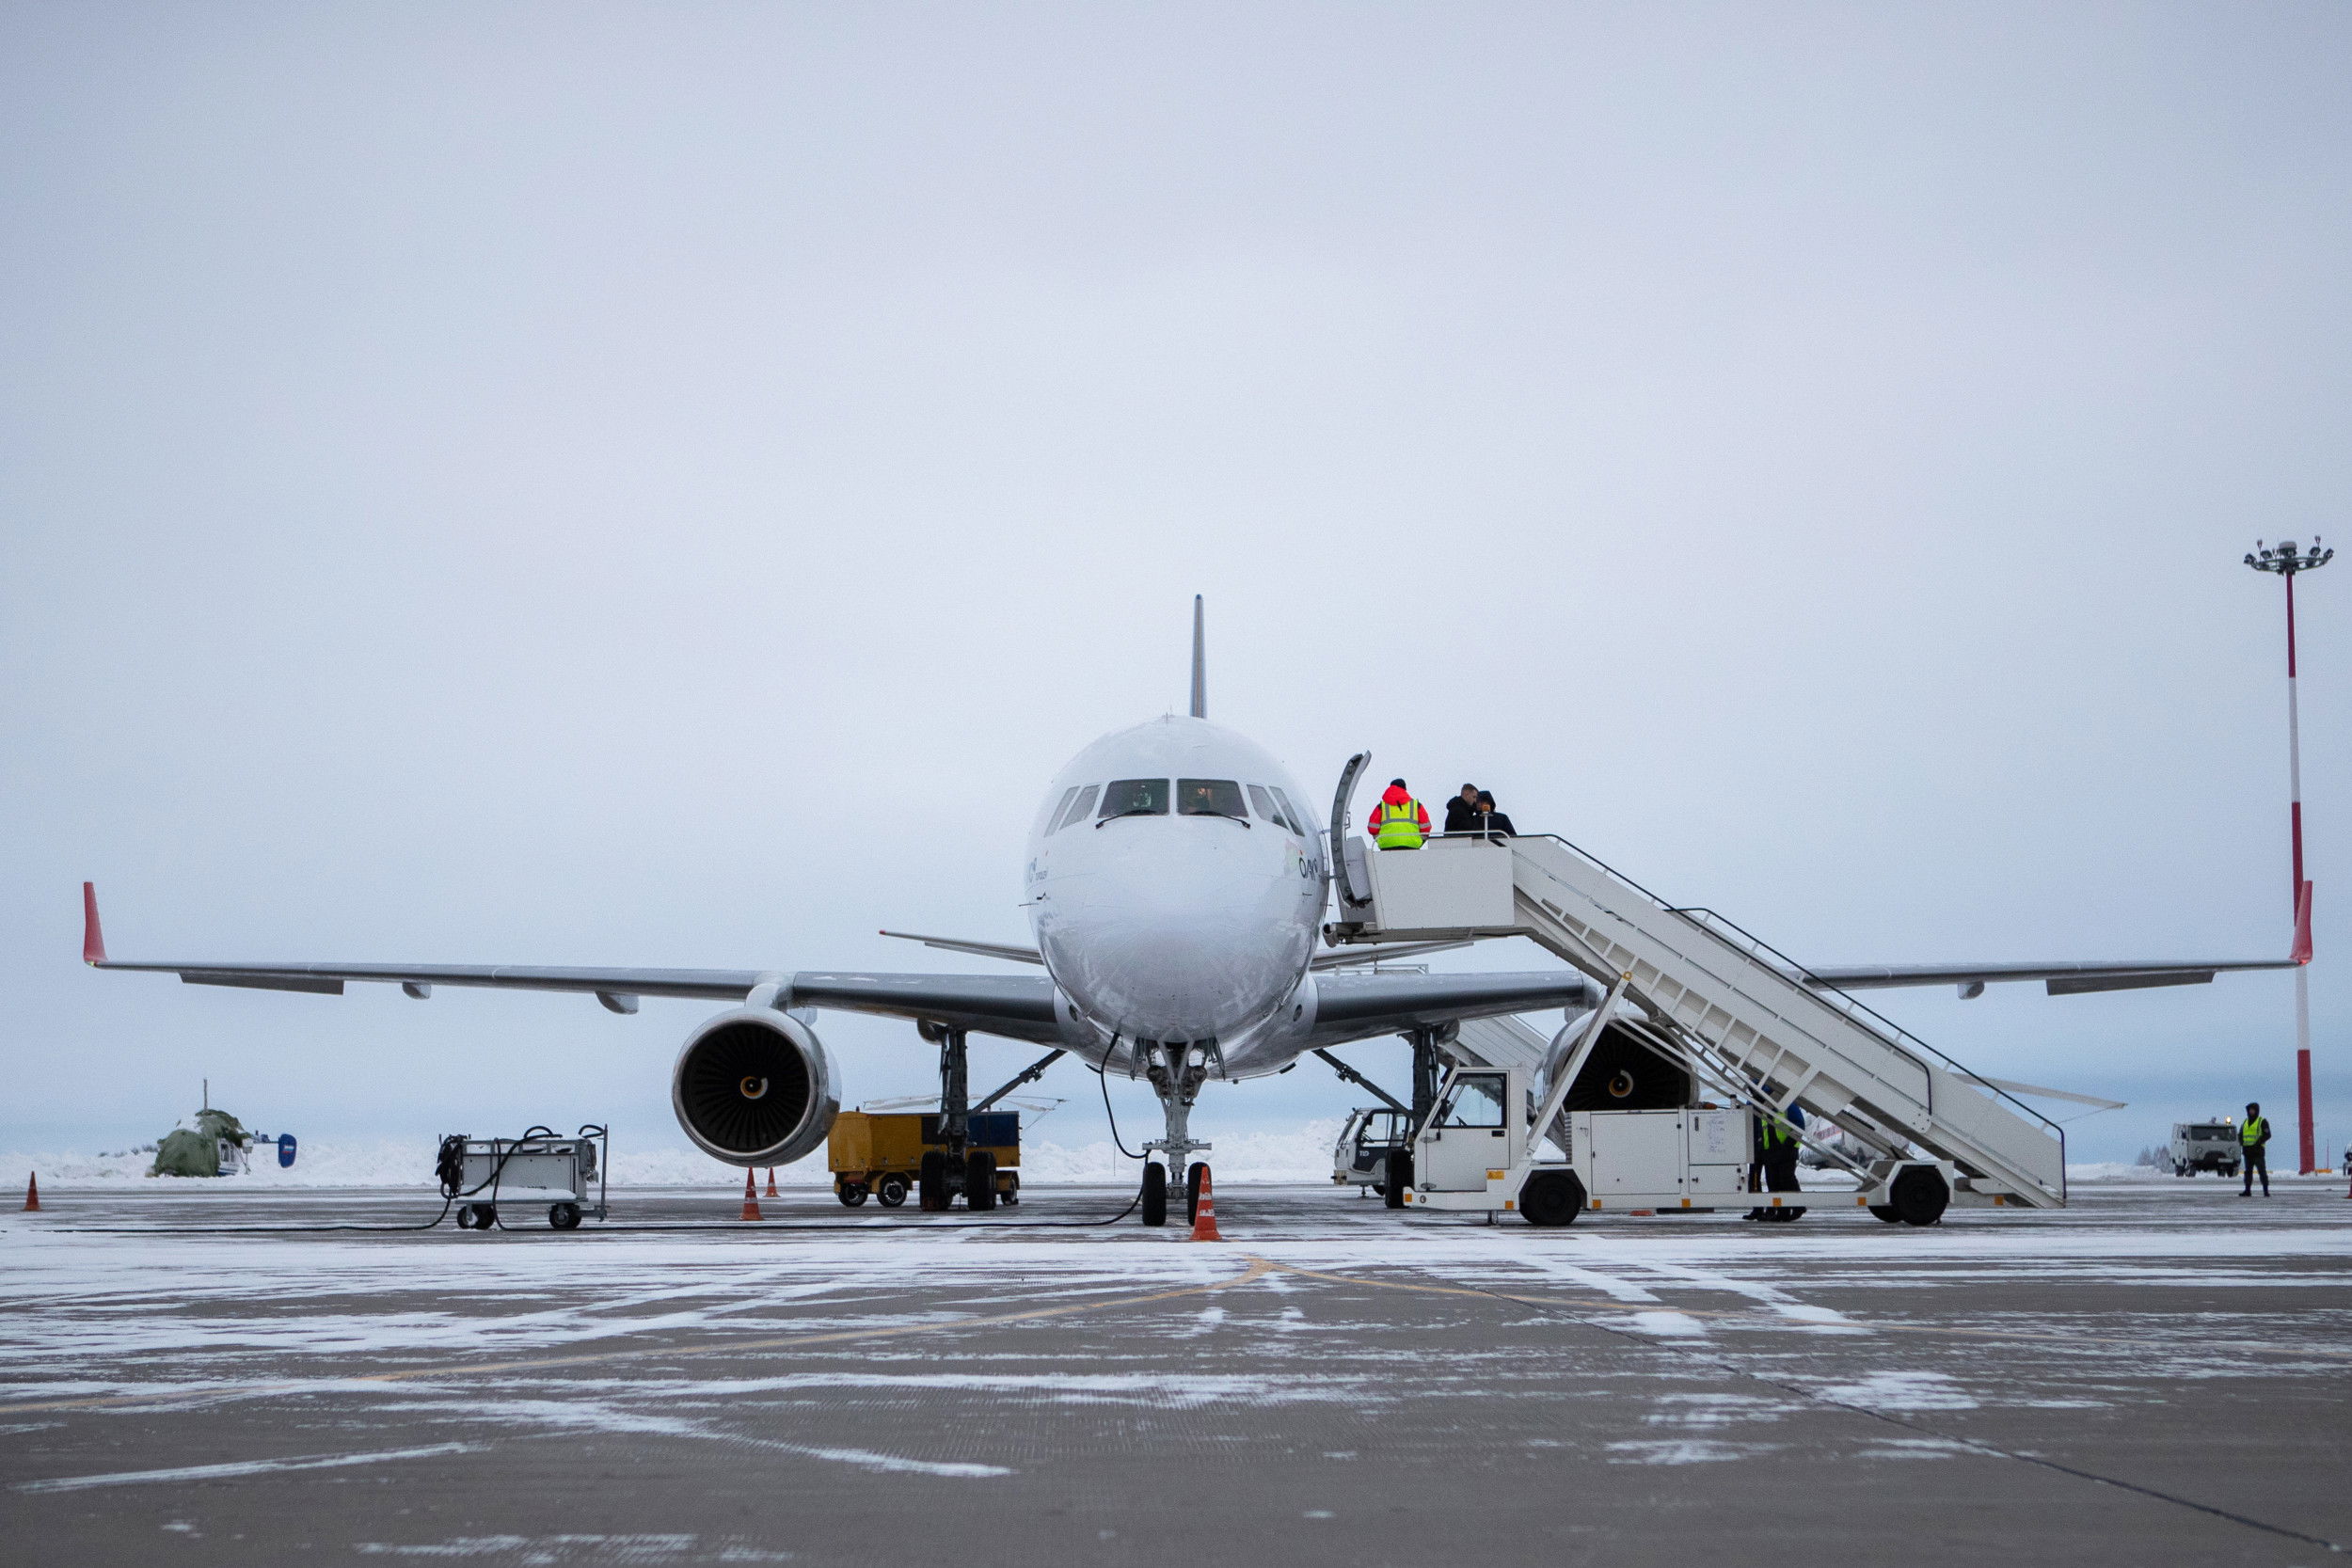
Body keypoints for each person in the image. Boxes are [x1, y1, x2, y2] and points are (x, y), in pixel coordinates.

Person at [1745, 1103, 1806, 1222]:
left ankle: (1798, 1206)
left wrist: (1789, 1144)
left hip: (1787, 1148)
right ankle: (1782, 1212)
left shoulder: (1788, 1105)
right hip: (1770, 1150)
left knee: (1786, 1179)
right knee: (1775, 1181)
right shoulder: (1763, 1109)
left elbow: (1799, 1126)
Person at [1368, 779, 1429, 849]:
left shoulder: (1381, 806)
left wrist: (1380, 840)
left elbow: (1372, 828)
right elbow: (1426, 828)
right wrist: (1419, 841)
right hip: (1412, 845)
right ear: (1405, 789)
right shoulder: (1416, 805)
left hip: (1387, 845)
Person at [2240, 1101, 2271, 1196]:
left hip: (2258, 1152)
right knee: (2248, 1172)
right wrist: (2240, 1142)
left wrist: (2258, 1143)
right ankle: (2247, 1190)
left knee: (2262, 1171)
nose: (2251, 1112)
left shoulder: (2262, 1121)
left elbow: (2267, 1134)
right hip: (2247, 1152)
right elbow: (2241, 1134)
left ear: (2257, 1111)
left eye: (2253, 1110)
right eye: (2250, 1110)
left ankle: (2266, 1191)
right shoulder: (2245, 1122)